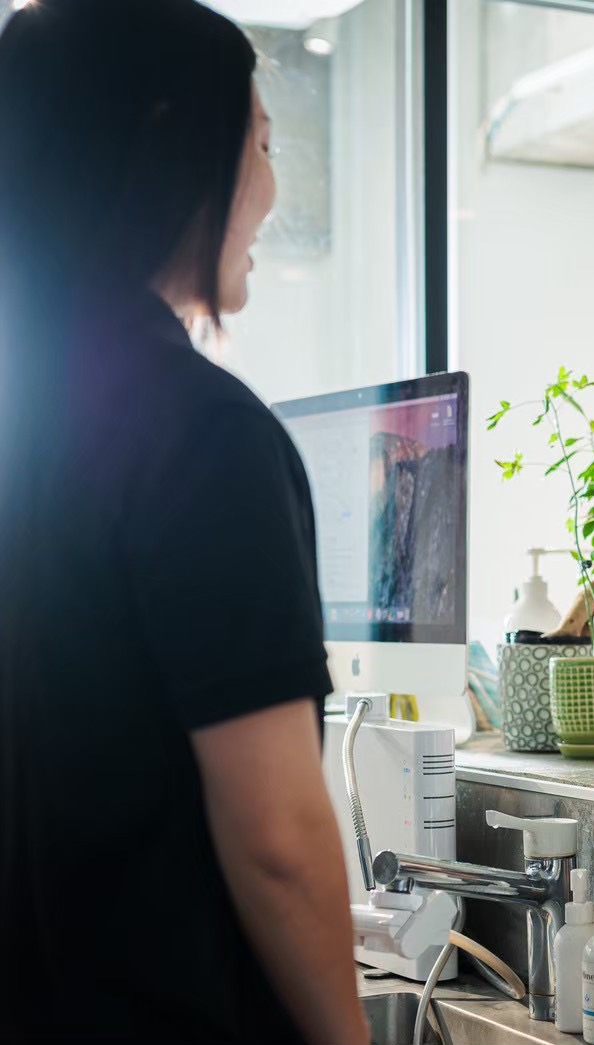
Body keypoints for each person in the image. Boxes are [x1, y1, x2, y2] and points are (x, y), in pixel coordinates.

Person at [0, 2, 368, 1042]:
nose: (272, 188)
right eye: (259, 142)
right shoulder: (199, 434)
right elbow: (277, 837)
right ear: (177, 152)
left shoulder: (25, 411)